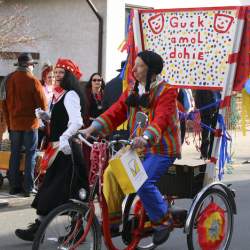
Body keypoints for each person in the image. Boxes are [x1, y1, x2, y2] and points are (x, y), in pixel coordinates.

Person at [81, 50, 181, 245]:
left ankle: (163, 221)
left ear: (151, 70)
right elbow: (116, 111)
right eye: (133, 64)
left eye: (139, 65)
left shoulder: (167, 90)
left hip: (162, 148)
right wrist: (91, 128)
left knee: (142, 181)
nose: (133, 69)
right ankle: (114, 221)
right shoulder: (132, 89)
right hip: (138, 146)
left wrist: (145, 137)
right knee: (110, 173)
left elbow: (160, 120)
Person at [15, 58, 89, 242]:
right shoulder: (60, 95)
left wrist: (64, 138)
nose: (56, 76)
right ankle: (39, 228)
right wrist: (46, 116)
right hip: (59, 150)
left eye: (61, 73)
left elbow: (77, 122)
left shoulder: (70, 94)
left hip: (67, 151)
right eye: (55, 73)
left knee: (65, 191)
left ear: (69, 76)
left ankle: (75, 230)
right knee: (50, 189)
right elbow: (62, 119)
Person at [2, 53, 47, 196]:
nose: (33, 67)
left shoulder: (8, 80)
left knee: (14, 154)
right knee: (30, 155)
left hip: (14, 124)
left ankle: (14, 186)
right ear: (28, 65)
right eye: (32, 64)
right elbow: (43, 105)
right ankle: (28, 187)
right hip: (30, 125)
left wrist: (9, 123)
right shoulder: (33, 81)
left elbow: (3, 104)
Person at [103, 60, 129, 140]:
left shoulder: (109, 84)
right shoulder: (134, 84)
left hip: (113, 128)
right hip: (130, 130)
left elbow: (105, 107)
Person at [194, 90, 221, 159]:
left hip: (217, 113)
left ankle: (211, 154)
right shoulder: (202, 88)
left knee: (214, 135)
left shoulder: (217, 88)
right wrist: (204, 111)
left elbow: (220, 98)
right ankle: (204, 154)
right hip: (206, 114)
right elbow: (197, 102)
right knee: (205, 135)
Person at [37, 63, 55, 149]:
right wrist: (41, 124)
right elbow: (37, 108)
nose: (52, 79)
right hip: (42, 125)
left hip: (54, 124)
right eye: (49, 77)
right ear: (44, 78)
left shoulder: (57, 89)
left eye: (53, 76)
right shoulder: (41, 89)